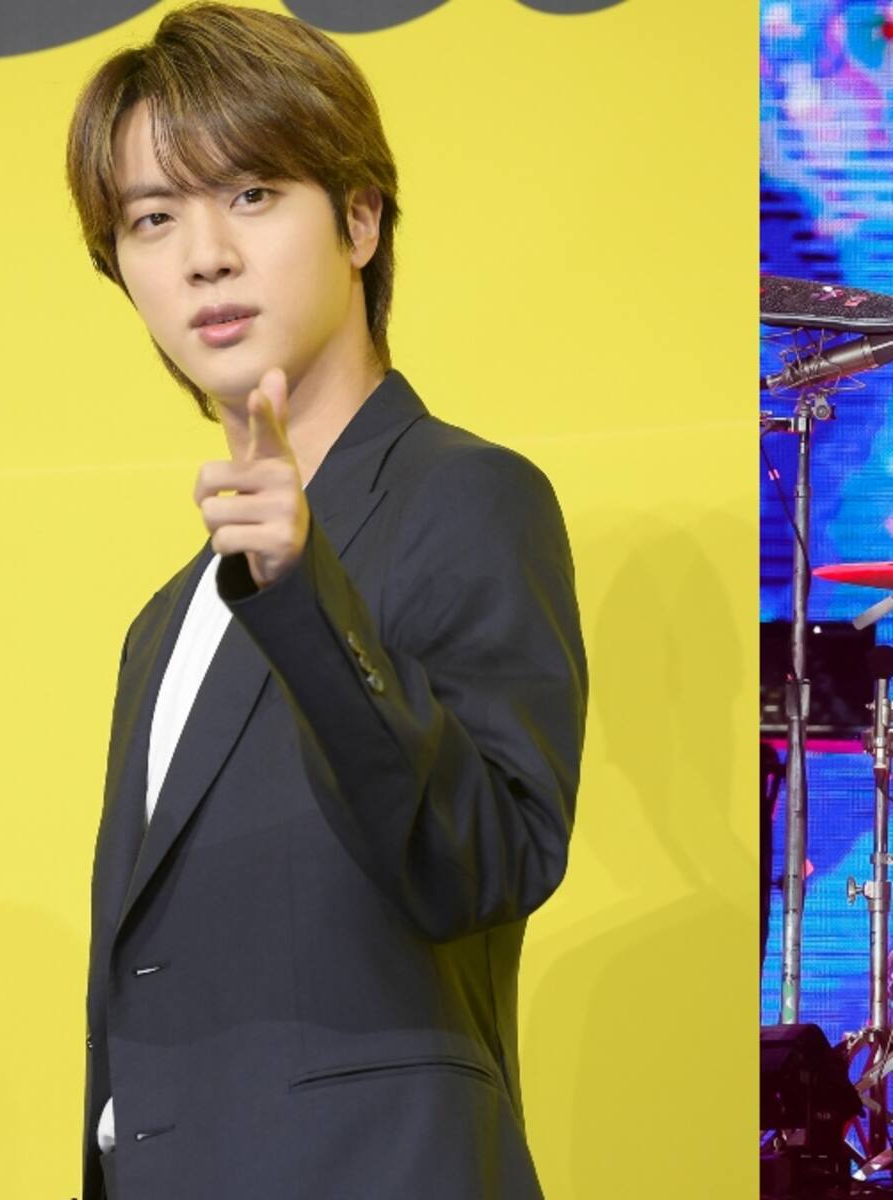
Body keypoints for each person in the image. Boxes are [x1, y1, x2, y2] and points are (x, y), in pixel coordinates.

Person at [64, 4, 588, 1197]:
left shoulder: (467, 496)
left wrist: (307, 595)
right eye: (152, 218)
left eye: (251, 194)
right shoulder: (166, 621)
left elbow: (489, 861)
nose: (203, 255)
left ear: (361, 218)